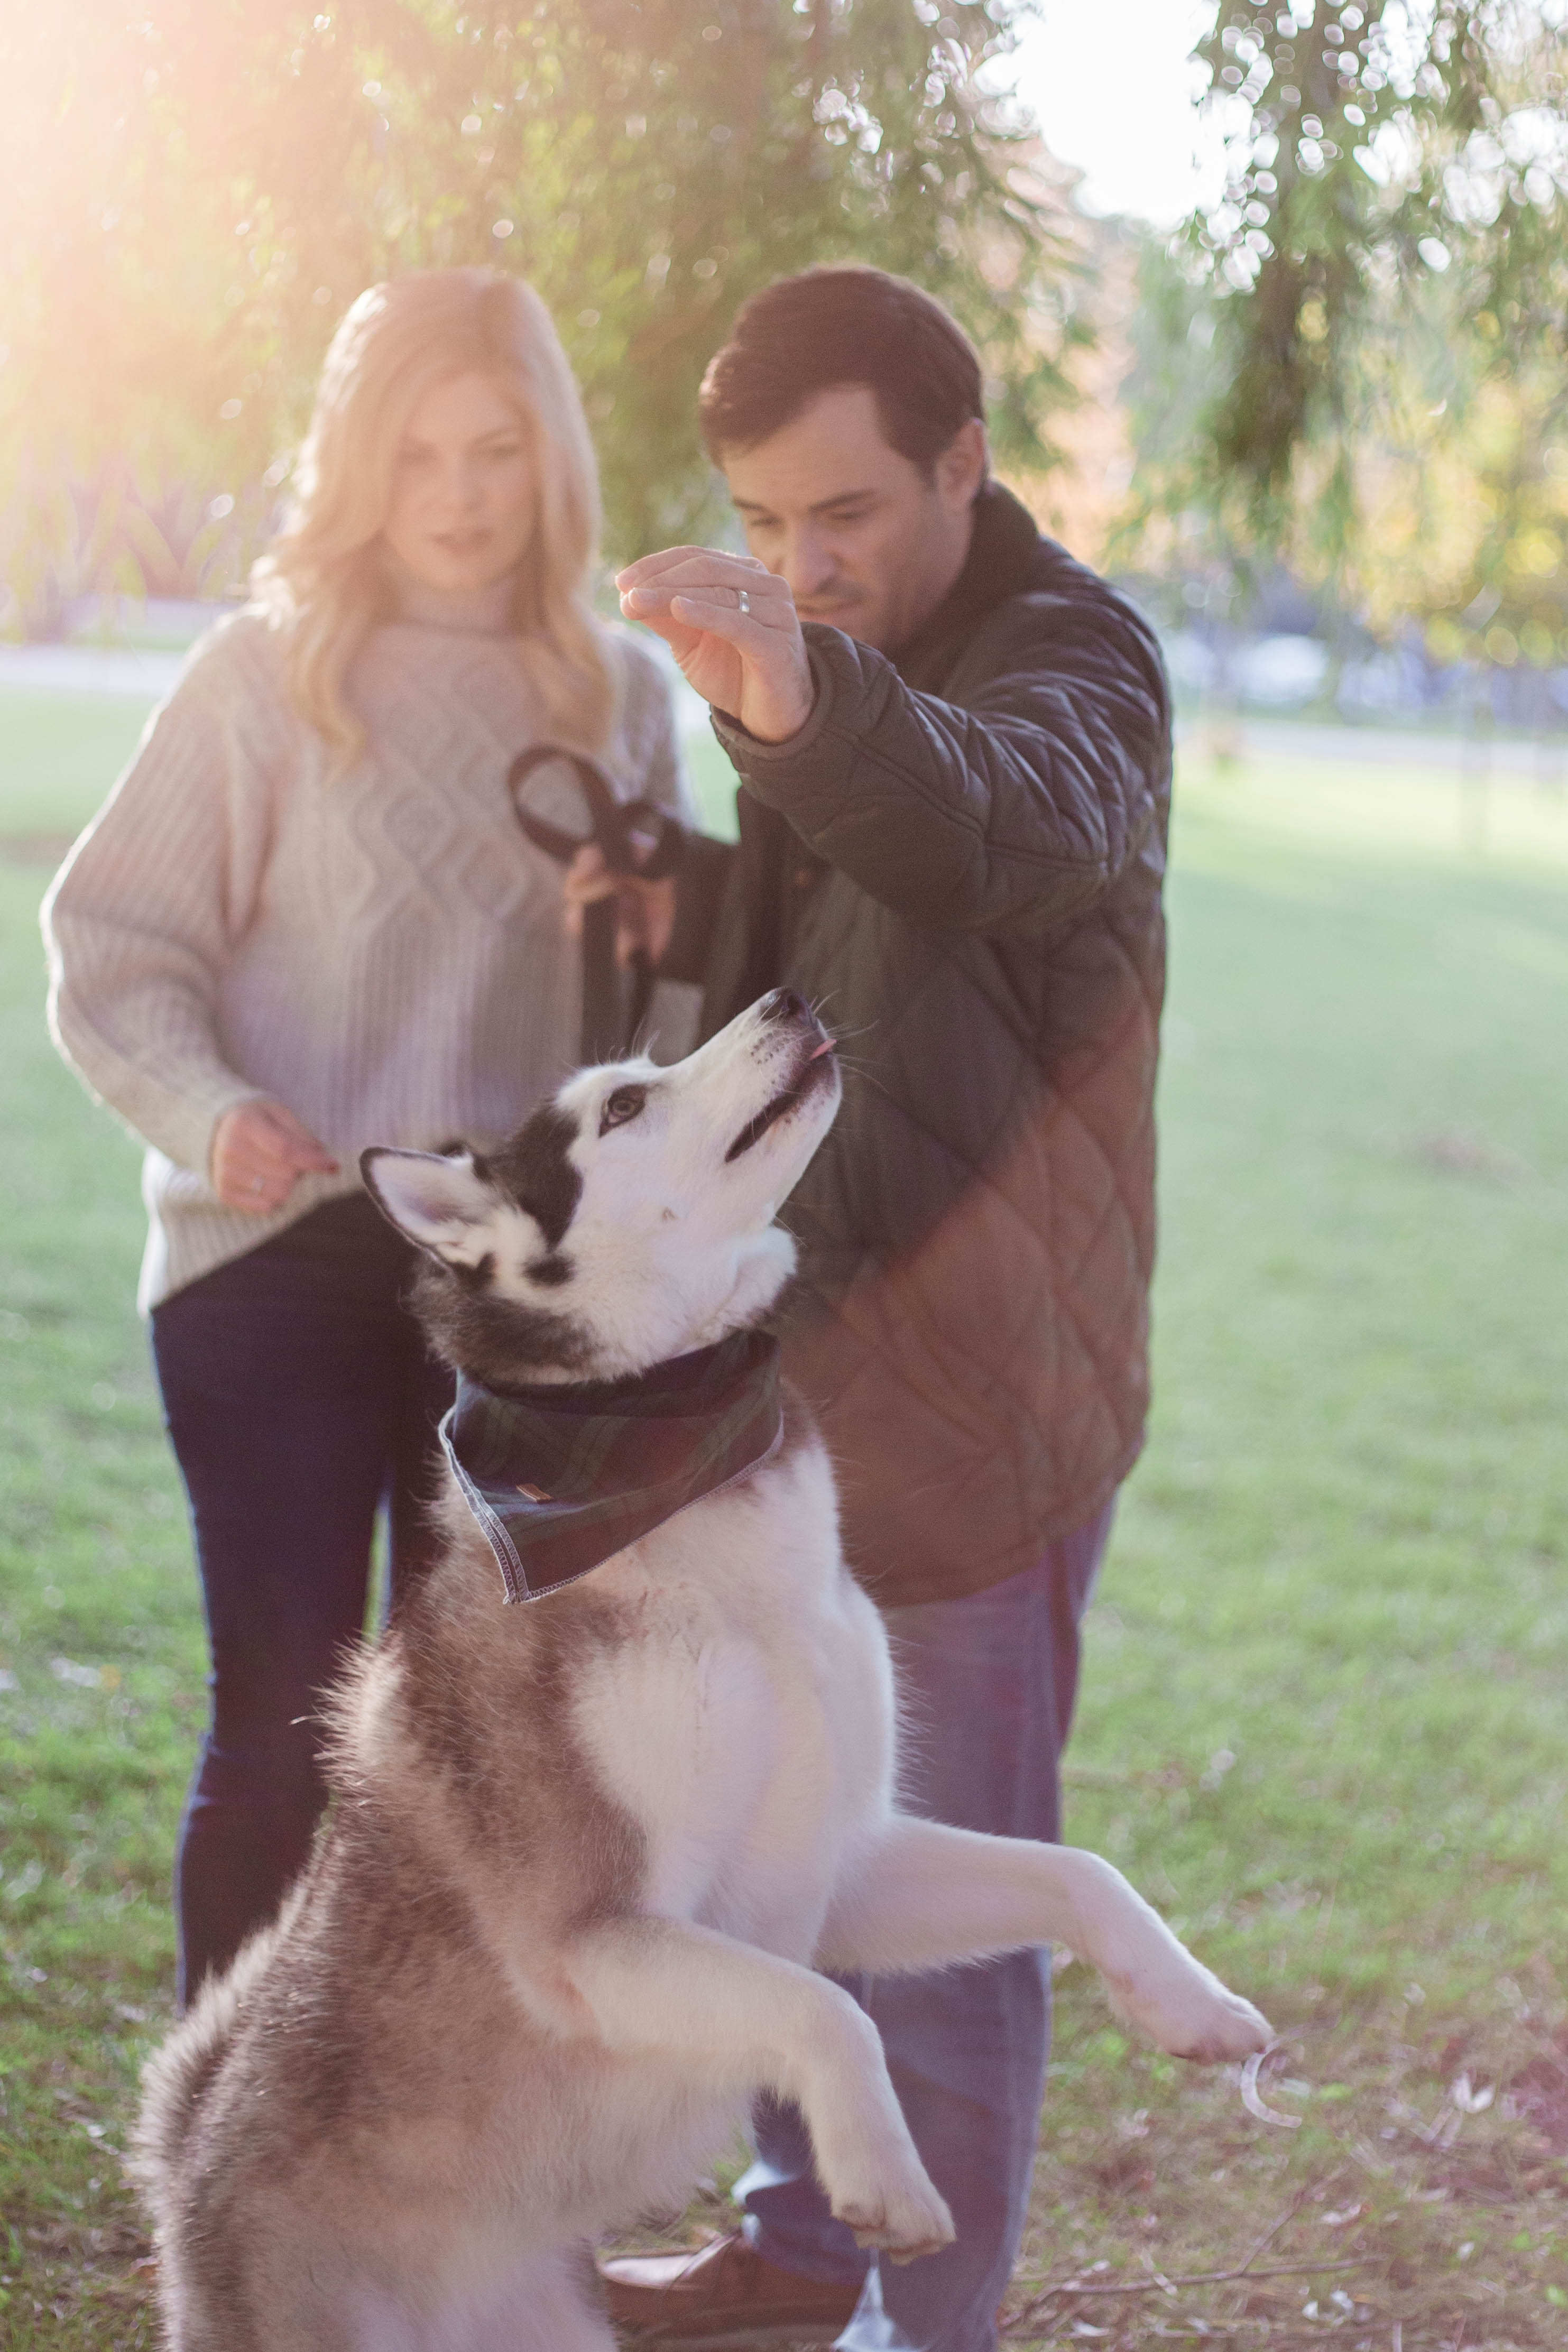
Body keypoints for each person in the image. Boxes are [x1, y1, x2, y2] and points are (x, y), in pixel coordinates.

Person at [585, 268, 1172, 2352]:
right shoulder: (822, 668)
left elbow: (971, 833)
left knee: (940, 1919)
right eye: (756, 521)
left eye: (840, 512)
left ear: (964, 463)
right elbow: (805, 969)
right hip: (790, 1396)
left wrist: (788, 698)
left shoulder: (1079, 671)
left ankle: (936, 2330)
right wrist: (668, 885)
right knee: (773, 1856)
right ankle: (793, 2254)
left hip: (977, 1411)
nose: (797, 565)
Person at [42, 268, 690, 2009]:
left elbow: (668, 1053)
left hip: (507, 1289)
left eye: (496, 449)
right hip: (272, 1263)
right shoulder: (265, 676)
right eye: (416, 456)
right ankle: (232, 2172)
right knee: (285, 1718)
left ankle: (425, 2169)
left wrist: (660, 937)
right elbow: (111, 949)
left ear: (548, 457)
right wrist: (213, 1109)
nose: (463, 495)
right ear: (358, 468)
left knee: (480, 1748)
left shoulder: (620, 693)